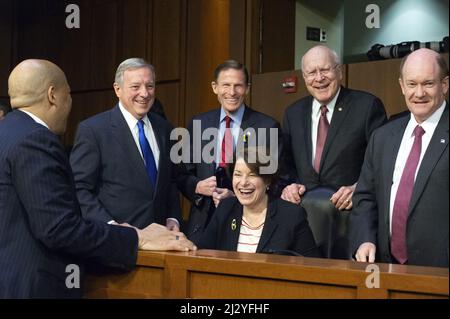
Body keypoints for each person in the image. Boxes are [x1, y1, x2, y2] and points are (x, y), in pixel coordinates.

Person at [0, 59, 195, 298]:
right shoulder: (36, 140)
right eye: (68, 94)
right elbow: (59, 228)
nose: (70, 103)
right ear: (53, 95)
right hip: (34, 286)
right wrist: (136, 236)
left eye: (150, 86)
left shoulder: (7, 132)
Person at [280, 45, 387, 258]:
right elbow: (286, 166)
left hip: (352, 223)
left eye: (325, 70)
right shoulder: (293, 113)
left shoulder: (366, 106)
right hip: (305, 225)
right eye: (312, 72)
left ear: (339, 71)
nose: (319, 78)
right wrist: (289, 185)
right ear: (304, 77)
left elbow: (383, 163)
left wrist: (359, 188)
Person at [349, 48, 448, 267]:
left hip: (439, 274)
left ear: (445, 85)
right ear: (402, 86)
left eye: (428, 83)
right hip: (386, 267)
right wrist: (364, 238)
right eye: (412, 84)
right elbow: (365, 197)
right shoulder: (383, 137)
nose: (419, 93)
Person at [70, 58, 182, 230]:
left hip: (161, 242)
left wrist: (173, 218)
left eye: (150, 86)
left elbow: (171, 181)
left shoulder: (164, 128)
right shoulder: (93, 130)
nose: (144, 93)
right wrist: (111, 225)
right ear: (117, 89)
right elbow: (79, 188)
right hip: (114, 244)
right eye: (135, 87)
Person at [176, 60, 283, 240]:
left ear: (247, 88)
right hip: (203, 222)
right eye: (226, 85)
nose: (232, 92)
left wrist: (239, 195)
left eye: (238, 86)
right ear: (215, 87)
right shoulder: (198, 124)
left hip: (250, 222)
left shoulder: (268, 127)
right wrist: (197, 186)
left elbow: (276, 181)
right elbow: (181, 175)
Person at [194, 146, 320, 257]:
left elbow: (312, 266)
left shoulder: (291, 215)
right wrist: (183, 242)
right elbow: (201, 250)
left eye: (252, 175)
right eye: (238, 174)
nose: (243, 182)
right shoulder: (226, 208)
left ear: (267, 181)